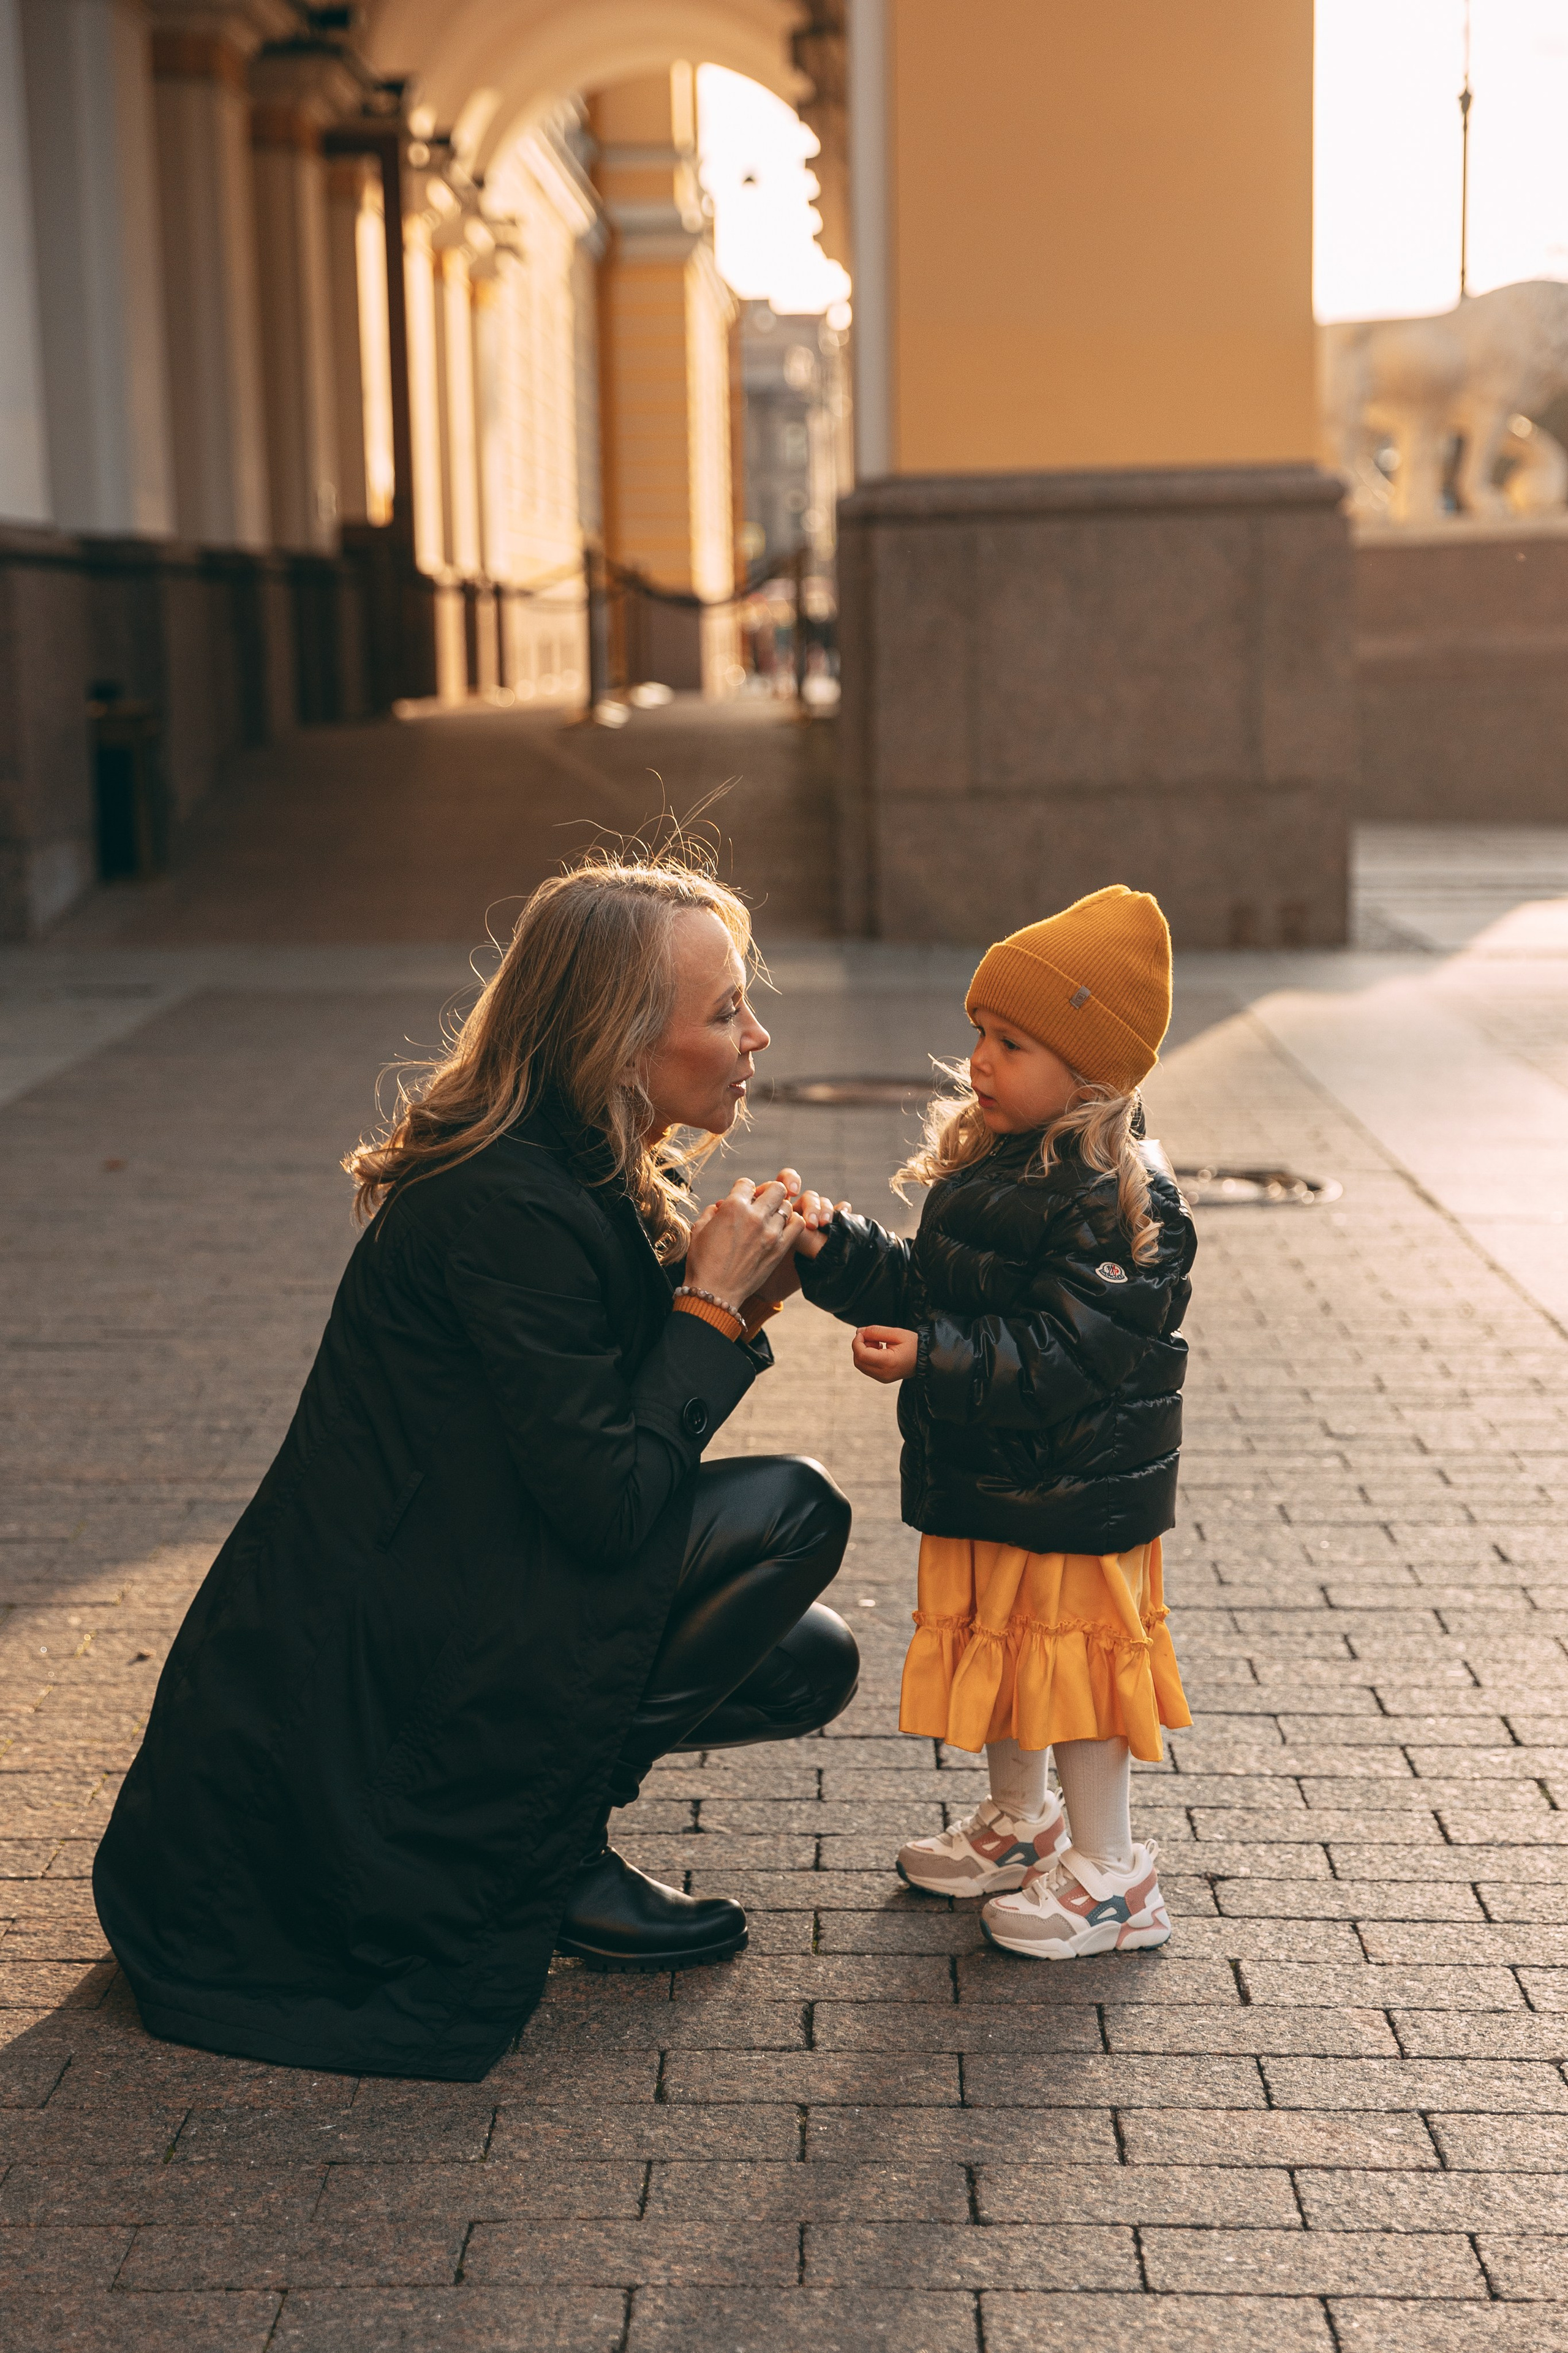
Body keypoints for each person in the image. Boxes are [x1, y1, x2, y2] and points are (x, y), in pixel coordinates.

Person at [92, 855, 857, 2082]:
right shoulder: (502, 1204)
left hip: (465, 1583)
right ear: (616, 1044)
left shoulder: (581, 1170)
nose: (756, 1034)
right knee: (788, 1514)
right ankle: (541, 1854)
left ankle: (551, 1839)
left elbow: (596, 1455)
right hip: (370, 1679)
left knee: (804, 1656)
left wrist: (726, 1308)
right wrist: (707, 1318)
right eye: (722, 1010)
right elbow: (609, 1503)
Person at [799, 886, 1196, 1958]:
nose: (979, 1058)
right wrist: (833, 1248)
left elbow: (1069, 1356)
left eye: (1011, 1040)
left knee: (1073, 1674)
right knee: (1010, 1657)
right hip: (993, 1474)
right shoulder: (993, 1158)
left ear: (1090, 1067)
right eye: (979, 1030)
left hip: (1074, 1489)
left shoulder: (1121, 1197)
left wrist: (934, 1358)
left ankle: (1116, 1877)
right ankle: (1026, 1826)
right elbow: (934, 1286)